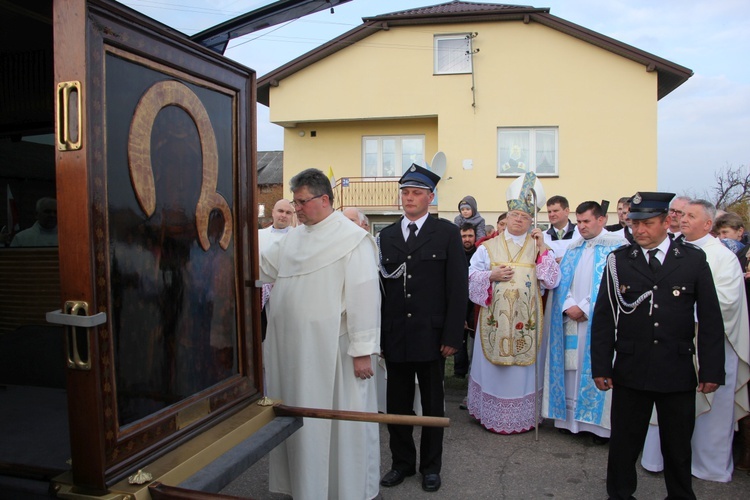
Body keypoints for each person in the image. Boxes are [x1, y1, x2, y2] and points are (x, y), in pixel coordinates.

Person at [590, 191, 726, 500]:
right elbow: (604, 317)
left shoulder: (691, 260)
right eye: (635, 224)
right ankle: (621, 495)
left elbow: (710, 318)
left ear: (667, 222)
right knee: (624, 444)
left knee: (677, 446)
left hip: (675, 368)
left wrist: (712, 369)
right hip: (631, 368)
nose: (639, 231)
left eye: (647, 224)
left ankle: (680, 495)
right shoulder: (619, 261)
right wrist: (600, 365)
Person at [260, 168, 380, 500]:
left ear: (323, 199)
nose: (295, 208)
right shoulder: (294, 238)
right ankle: (304, 486)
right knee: (299, 420)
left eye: (301, 202)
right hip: (293, 353)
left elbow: (364, 296)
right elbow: (262, 267)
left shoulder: (352, 239)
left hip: (333, 354)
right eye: (295, 202)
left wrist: (362, 350)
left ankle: (344, 490)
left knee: (334, 425)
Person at [640, 199, 749, 482]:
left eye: (691, 215)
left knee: (710, 407)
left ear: (708, 224)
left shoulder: (722, 256)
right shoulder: (674, 250)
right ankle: (662, 460)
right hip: (673, 343)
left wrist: (679, 308)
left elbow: (724, 302)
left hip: (709, 344)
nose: (682, 219)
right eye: (681, 214)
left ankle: (708, 466)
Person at [378, 164, 467, 493]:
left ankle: (431, 466)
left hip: (432, 338)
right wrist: (380, 336)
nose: (409, 198)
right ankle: (401, 463)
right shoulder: (386, 236)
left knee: (432, 407)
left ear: (430, 197)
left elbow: (457, 288)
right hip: (396, 336)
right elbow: (380, 290)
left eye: (416, 192)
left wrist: (452, 335)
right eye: (405, 192)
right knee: (396, 406)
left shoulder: (445, 233)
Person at [467, 172, 560, 434]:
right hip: (495, 321)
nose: (519, 220)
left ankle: (522, 417)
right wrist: (490, 275)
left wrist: (543, 251)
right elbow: (470, 278)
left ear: (531, 220)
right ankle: (491, 414)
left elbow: (551, 281)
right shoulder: (487, 247)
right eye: (514, 216)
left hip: (526, 321)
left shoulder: (540, 245)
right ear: (505, 218)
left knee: (523, 366)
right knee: (494, 366)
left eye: (525, 217)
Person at [542, 201, 626, 442]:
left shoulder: (618, 248)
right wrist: (568, 304)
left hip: (598, 321)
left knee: (595, 367)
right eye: (578, 222)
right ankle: (568, 421)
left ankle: (599, 427)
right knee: (571, 369)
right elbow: (561, 281)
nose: (581, 227)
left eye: (586, 221)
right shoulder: (574, 247)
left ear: (601, 219)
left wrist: (586, 306)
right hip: (570, 318)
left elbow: (615, 286)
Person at [258, 199, 294, 341]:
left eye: (288, 212)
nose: (283, 215)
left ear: (292, 216)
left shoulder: (298, 237)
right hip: (260, 294)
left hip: (287, 296)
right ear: (273, 212)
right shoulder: (258, 236)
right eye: (280, 211)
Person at [454, 223, 478, 379]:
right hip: (458, 298)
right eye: (464, 236)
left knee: (473, 340)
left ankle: (473, 372)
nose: (467, 239)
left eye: (470, 236)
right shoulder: (455, 254)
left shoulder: (480, 253)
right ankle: (459, 371)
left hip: (474, 301)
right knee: (457, 339)